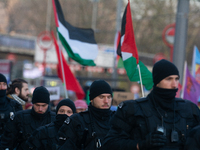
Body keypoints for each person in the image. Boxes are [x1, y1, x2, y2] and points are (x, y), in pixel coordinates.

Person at [103, 59, 200, 150]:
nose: (174, 84)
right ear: (157, 82)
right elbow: (109, 143)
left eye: (176, 79)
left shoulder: (190, 110)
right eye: (169, 79)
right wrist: (139, 145)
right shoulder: (131, 109)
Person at [58, 79, 114, 150]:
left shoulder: (118, 120)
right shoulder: (77, 120)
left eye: (109, 97)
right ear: (91, 99)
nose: (106, 101)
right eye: (101, 97)